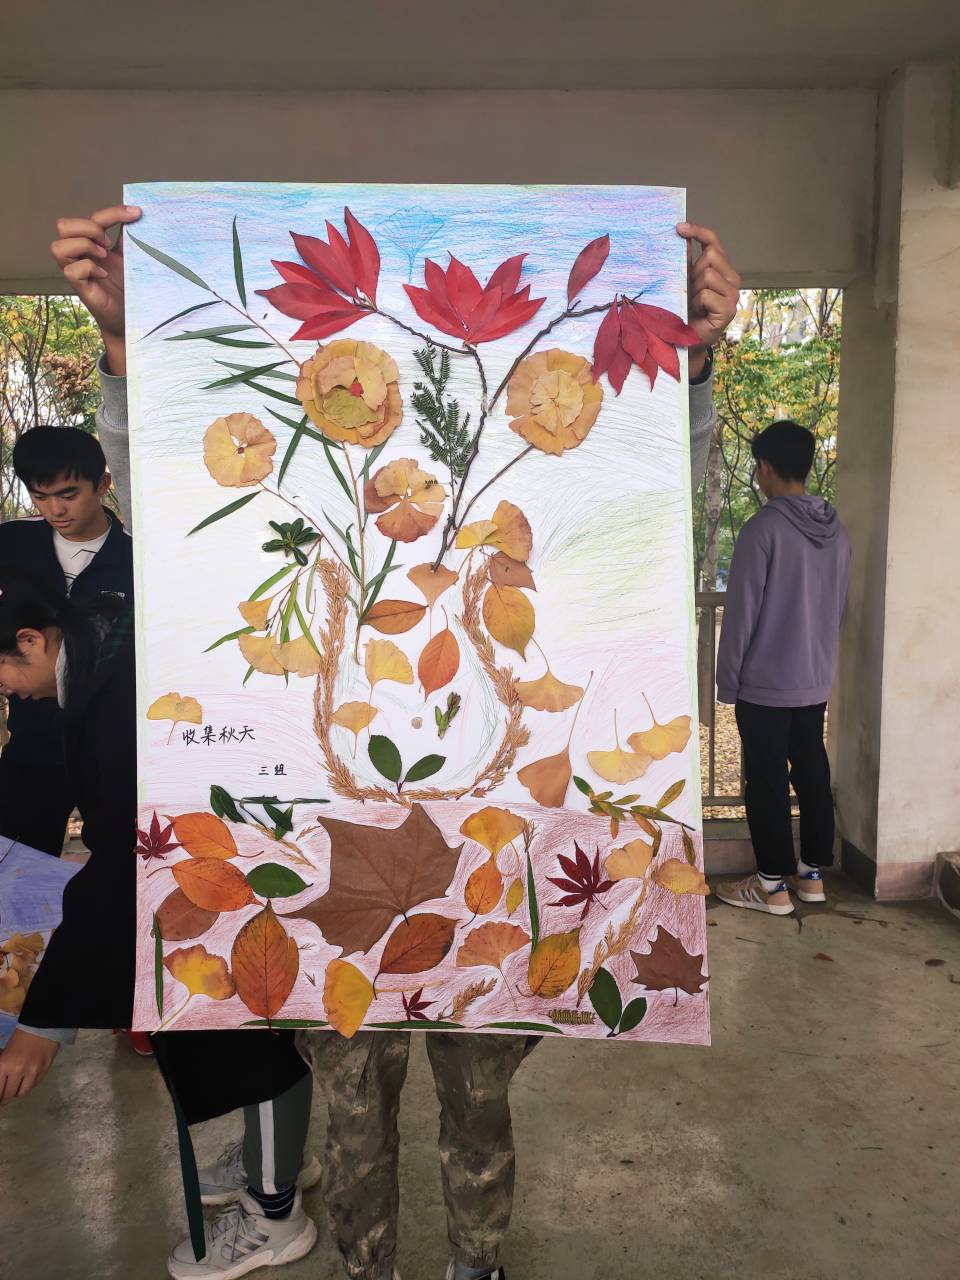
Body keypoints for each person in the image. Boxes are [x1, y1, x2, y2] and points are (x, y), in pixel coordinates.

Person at [51, 203, 741, 1280]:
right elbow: (186, 515)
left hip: (493, 844)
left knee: (479, 1105)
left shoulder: (523, 519)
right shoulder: (311, 521)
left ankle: (475, 1263)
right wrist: (130, 353)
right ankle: (365, 1265)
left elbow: (647, 508)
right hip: (333, 847)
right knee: (354, 1115)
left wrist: (684, 375)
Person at [0, 565, 320, 1278]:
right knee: (246, 1024)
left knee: (248, 1026)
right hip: (227, 841)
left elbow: (127, 860)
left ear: (30, 640)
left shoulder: (117, 699)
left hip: (232, 857)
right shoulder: (105, 638)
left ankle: (276, 1215)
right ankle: (277, 1156)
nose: (8, 696)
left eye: (3, 678)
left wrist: (43, 1022)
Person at [714, 420, 851, 917]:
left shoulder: (763, 529)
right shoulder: (836, 532)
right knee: (812, 771)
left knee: (767, 780)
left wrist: (727, 680)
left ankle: (771, 885)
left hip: (766, 685)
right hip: (813, 679)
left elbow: (742, 616)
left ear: (766, 467)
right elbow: (838, 608)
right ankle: (812, 876)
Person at [0, 427, 132, 857]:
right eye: (40, 496)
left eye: (68, 494)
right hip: (32, 745)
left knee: (118, 859)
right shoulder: (11, 543)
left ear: (103, 483)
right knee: (13, 863)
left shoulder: (137, 556)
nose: (55, 509)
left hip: (111, 751)